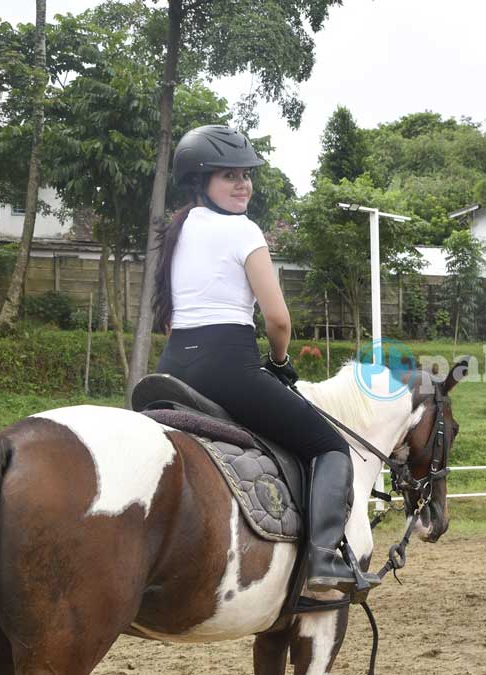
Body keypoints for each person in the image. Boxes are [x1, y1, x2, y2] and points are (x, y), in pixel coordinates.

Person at [152, 124, 372, 593]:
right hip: (230, 367)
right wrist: (278, 359)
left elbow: (169, 315)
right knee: (329, 446)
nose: (243, 185)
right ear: (200, 182)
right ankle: (321, 560)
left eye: (246, 175)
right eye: (228, 175)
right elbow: (277, 319)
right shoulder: (243, 230)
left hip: (171, 366)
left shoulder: (177, 230)